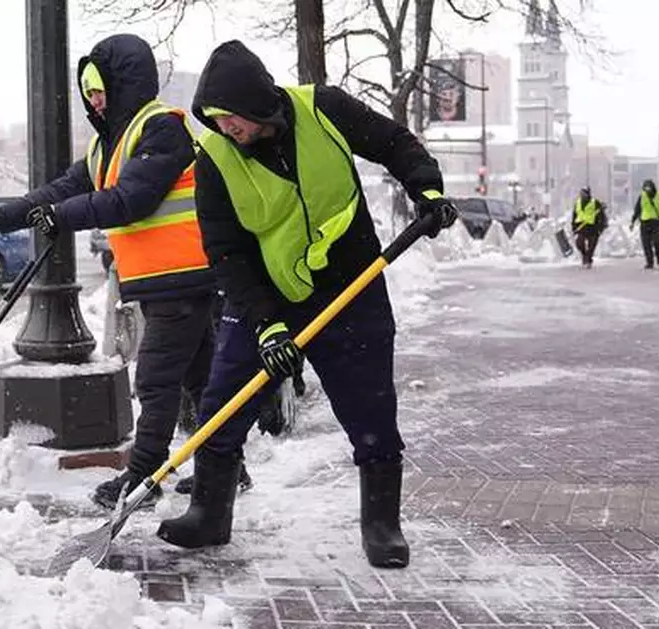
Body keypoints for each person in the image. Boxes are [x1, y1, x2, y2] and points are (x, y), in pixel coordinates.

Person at [154, 40, 456, 570]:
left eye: (231, 119)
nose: (227, 130)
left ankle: (382, 524)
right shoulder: (216, 160)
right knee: (222, 402)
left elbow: (393, 141)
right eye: (218, 121)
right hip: (267, 295)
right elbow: (226, 251)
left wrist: (425, 189)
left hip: (351, 287)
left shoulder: (325, 109)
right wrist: (267, 326)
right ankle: (209, 512)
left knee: (371, 409)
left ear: (256, 104)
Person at [0, 33, 230, 511]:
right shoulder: (107, 145)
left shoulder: (160, 130)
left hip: (185, 277)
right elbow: (60, 190)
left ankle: (143, 478)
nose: (92, 98)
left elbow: (131, 200)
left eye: (98, 87)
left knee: (154, 380)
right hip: (167, 280)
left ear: (123, 82)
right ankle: (228, 465)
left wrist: (62, 218)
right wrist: (2, 216)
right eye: (86, 90)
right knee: (199, 377)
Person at [630, 179, 659, 269]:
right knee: (646, 243)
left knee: (657, 241)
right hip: (644, 222)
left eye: (649, 188)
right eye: (645, 188)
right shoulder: (642, 196)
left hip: (656, 222)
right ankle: (649, 262)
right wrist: (632, 221)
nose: (647, 190)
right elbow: (637, 209)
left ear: (653, 188)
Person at [571, 186, 607, 269]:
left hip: (593, 227)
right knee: (579, 243)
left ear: (588, 194)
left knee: (591, 247)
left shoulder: (595, 203)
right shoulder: (577, 203)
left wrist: (600, 228)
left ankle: (588, 259)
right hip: (581, 227)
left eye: (583, 193)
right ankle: (584, 255)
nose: (581, 195)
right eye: (581, 193)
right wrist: (573, 227)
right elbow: (574, 215)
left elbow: (601, 216)